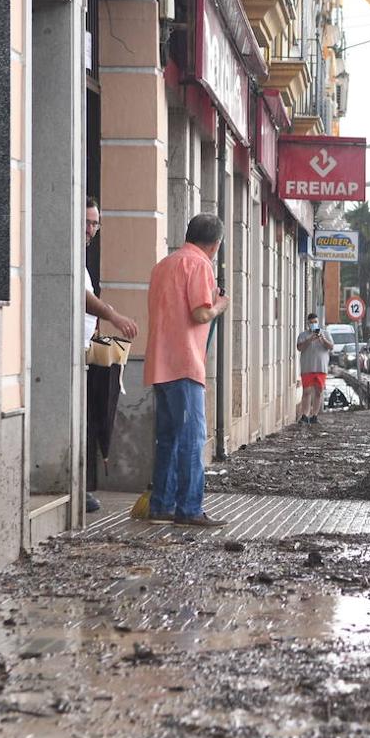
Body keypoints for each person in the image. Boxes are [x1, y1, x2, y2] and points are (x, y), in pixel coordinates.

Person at [143, 213, 230, 526]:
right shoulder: (199, 265)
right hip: (185, 364)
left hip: (159, 363)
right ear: (215, 244)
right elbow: (201, 314)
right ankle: (189, 509)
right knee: (193, 438)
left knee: (167, 439)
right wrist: (220, 304)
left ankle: (161, 505)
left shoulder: (163, 265)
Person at [83, 197, 138, 513]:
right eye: (87, 222)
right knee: (86, 420)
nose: (91, 229)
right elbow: (83, 297)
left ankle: (82, 487)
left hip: (86, 351)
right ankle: (77, 486)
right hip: (68, 352)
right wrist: (114, 316)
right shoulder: (69, 252)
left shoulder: (82, 257)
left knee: (93, 419)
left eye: (95, 223)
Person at [296, 313, 333, 424]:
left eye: (315, 322)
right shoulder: (303, 335)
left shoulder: (325, 333)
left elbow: (330, 346)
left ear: (318, 323)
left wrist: (322, 339)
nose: (313, 324)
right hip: (307, 367)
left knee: (319, 391)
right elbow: (299, 347)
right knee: (306, 391)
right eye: (311, 323)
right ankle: (305, 415)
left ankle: (315, 415)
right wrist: (309, 340)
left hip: (321, 367)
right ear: (308, 324)